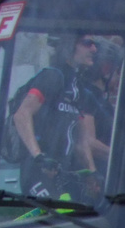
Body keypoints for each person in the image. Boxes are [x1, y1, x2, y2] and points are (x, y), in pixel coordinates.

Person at [11, 32, 98, 198]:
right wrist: (39, 156)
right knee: (59, 219)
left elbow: (80, 140)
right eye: (87, 43)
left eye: (95, 45)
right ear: (69, 45)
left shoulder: (78, 88)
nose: (94, 49)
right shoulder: (52, 76)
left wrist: (92, 173)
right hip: (38, 172)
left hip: (61, 173)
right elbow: (21, 114)